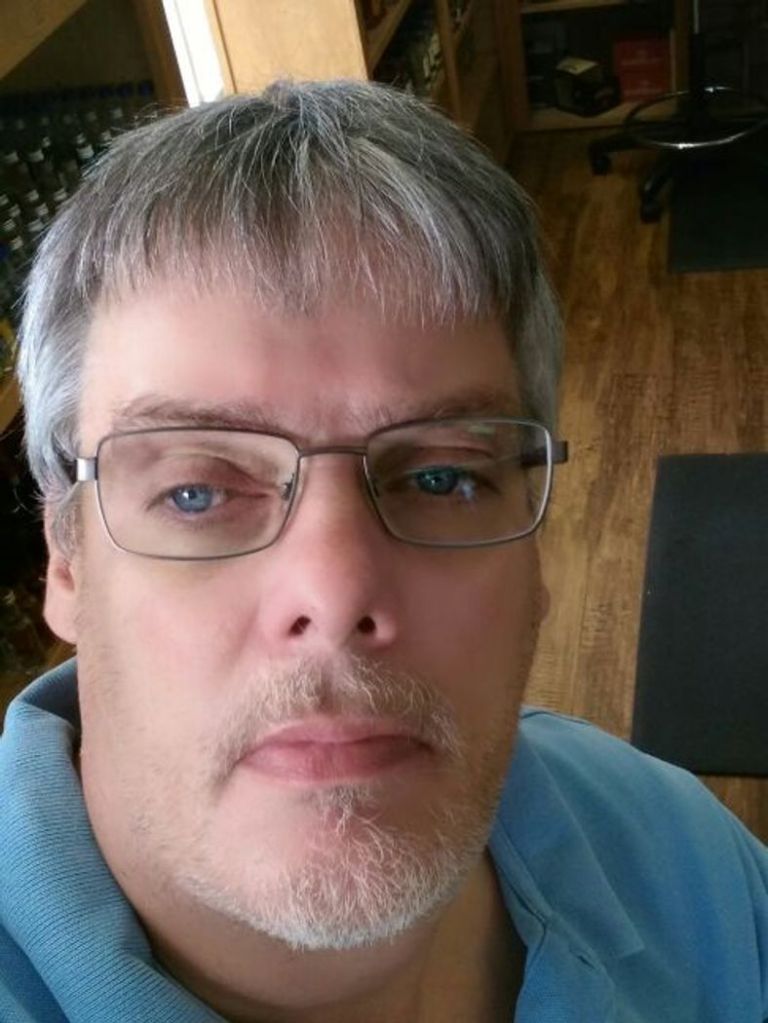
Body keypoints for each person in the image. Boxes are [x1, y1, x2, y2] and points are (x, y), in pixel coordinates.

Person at [2, 80, 767, 1023]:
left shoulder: (684, 862)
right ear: (67, 557)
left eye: (442, 477)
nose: (334, 590)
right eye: (196, 492)